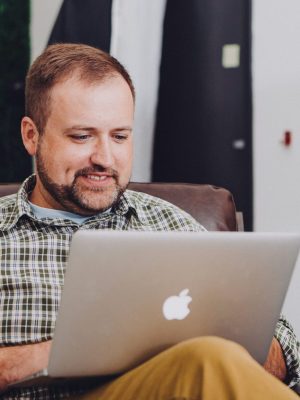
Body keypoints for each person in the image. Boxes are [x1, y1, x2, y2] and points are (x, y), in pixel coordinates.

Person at [0, 43, 299, 400]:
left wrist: (224, 342)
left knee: (209, 358)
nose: (104, 157)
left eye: (120, 136)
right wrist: (76, 350)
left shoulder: (169, 224)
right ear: (31, 135)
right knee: (207, 360)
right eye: (82, 136)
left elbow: (283, 342)